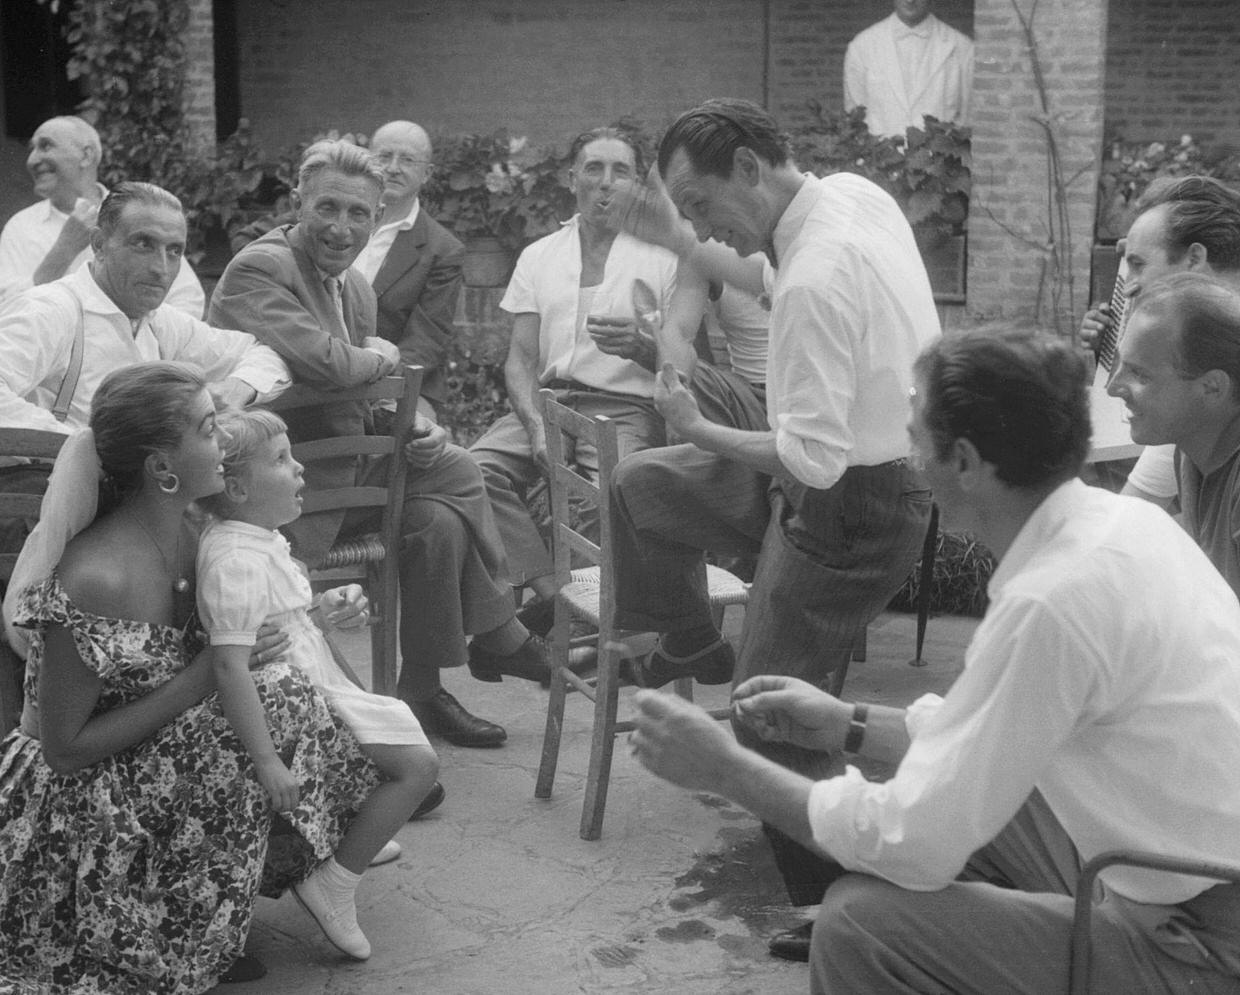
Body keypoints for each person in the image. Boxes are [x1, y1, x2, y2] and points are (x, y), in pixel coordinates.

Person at [631, 328, 1240, 993]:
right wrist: (849, 723)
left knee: (857, 923)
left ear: (968, 462)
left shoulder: (1052, 599)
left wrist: (725, 769)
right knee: (957, 808)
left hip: (1202, 946)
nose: (910, 459)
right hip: (1181, 876)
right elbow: (1002, 721)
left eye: (916, 438)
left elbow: (913, 842)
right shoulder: (1122, 528)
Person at [0, 362, 383, 993]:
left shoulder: (202, 529)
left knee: (280, 690)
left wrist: (318, 618)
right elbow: (64, 750)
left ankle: (207, 904)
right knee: (267, 696)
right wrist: (206, 678)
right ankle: (150, 920)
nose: (224, 442)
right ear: (161, 468)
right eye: (206, 428)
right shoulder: (97, 578)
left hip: (150, 755)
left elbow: (252, 634)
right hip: (78, 800)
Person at [610, 97, 937, 959]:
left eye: (703, 204)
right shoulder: (850, 195)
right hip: (849, 484)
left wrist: (701, 429)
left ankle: (850, 911)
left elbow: (813, 462)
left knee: (764, 714)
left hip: (849, 509)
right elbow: (769, 275)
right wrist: (683, 241)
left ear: (751, 169)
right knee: (641, 483)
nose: (697, 222)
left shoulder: (818, 279)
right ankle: (687, 638)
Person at [211, 139, 545, 748]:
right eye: (328, 208)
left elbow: (370, 392)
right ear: (297, 204)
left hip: (352, 475)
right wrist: (385, 355)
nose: (342, 228)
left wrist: (413, 422)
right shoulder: (258, 270)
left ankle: (422, 689)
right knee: (449, 496)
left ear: (378, 217)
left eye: (359, 214)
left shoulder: (356, 288)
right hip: (279, 498)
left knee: (444, 505)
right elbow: (332, 364)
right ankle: (501, 634)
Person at [197, 408, 439, 960]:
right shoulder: (235, 558)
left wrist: (327, 612)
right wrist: (265, 759)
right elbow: (230, 664)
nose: (301, 468)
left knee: (391, 734)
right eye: (281, 460)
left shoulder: (260, 539)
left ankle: (348, 842)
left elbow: (283, 623)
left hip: (310, 681)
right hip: (292, 702)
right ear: (235, 487)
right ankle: (334, 882)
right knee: (418, 767)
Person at [468, 125, 705, 642]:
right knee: (474, 471)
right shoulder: (539, 255)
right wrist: (533, 424)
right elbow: (520, 360)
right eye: (593, 169)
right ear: (571, 176)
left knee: (611, 493)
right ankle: (557, 596)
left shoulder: (664, 257)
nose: (606, 183)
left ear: (638, 185)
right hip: (547, 402)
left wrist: (644, 347)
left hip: (624, 404)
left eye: (621, 171)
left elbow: (681, 359)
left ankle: (609, 623)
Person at [0, 181, 289, 436]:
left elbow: (264, 355)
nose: (161, 268)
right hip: (51, 507)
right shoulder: (50, 310)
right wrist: (82, 443)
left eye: (174, 251)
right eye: (143, 244)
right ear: (99, 245)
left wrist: (237, 388)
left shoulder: (160, 322)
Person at [1083, 175, 1240, 507]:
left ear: (1194, 260)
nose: (1128, 286)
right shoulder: (1205, 354)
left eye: (1138, 265)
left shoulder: (1201, 376)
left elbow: (1134, 516)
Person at [0, 115, 205, 317]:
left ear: (86, 155)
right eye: (32, 149)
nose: (32, 160)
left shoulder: (139, 215)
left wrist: (138, 338)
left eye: (45, 146)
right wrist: (63, 250)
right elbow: (0, 314)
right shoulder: (21, 226)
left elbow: (187, 299)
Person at [1109, 272, 1240, 595]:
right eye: (1121, 364)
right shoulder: (1190, 448)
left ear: (1212, 388)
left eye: (1139, 373)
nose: (1114, 388)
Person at [354, 120, 464, 422]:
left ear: (426, 174)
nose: (393, 167)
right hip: (322, 369)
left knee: (423, 448)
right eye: (384, 157)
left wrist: (370, 381)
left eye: (407, 160)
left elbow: (425, 342)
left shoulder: (442, 250)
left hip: (398, 382)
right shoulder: (339, 221)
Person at [843, 0, 973, 138]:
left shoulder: (962, 48)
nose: (910, 0)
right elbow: (856, 119)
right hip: (880, 156)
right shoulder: (862, 46)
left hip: (940, 157)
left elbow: (967, 120)